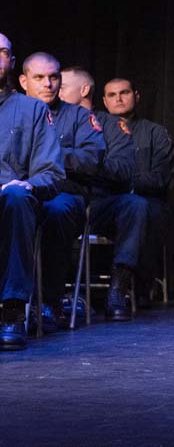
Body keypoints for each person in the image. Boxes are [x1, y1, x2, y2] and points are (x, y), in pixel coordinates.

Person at [18, 53, 105, 330]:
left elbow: (92, 160)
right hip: (21, 191)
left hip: (62, 194)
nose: (48, 84)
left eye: (54, 77)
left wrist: (49, 156)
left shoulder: (79, 116)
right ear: (23, 81)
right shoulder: (12, 112)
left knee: (55, 211)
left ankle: (48, 301)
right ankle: (13, 304)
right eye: (39, 78)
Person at [0, 33, 65, 350]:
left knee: (16, 197)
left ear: (11, 63)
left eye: (1, 52)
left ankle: (12, 311)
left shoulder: (32, 110)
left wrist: (29, 183)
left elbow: (51, 172)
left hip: (10, 201)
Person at [59, 66, 137, 320]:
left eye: (62, 87)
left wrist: (87, 164)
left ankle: (119, 286)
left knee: (135, 205)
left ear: (84, 90)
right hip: (63, 199)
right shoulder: (53, 120)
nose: (54, 90)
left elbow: (124, 169)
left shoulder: (112, 126)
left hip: (98, 203)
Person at [98, 77, 174, 320]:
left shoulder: (155, 133)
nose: (118, 99)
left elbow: (160, 178)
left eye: (124, 92)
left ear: (136, 96)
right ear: (103, 100)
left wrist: (126, 181)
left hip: (144, 200)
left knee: (144, 209)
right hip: (107, 204)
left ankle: (130, 285)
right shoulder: (96, 129)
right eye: (112, 95)